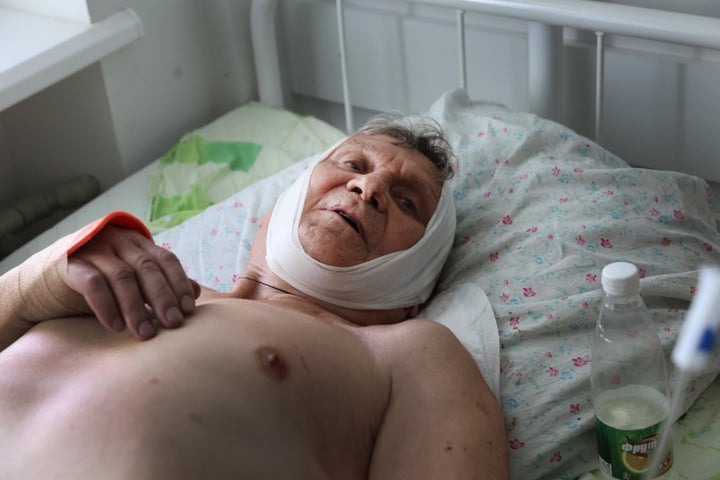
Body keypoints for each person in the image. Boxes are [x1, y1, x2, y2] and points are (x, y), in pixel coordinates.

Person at [0, 114, 509, 479]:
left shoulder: (410, 353)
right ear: (280, 205)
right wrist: (32, 286)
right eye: (352, 164)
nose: (368, 187)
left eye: (406, 202)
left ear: (419, 282)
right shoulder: (134, 270)